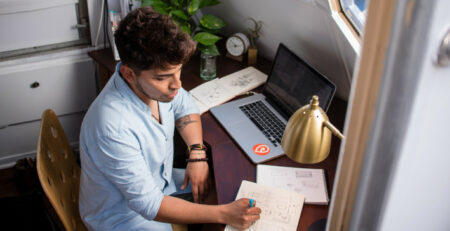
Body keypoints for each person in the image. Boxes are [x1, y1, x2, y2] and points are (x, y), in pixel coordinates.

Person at [78, 6, 261, 231]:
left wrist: (197, 153)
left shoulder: (155, 86)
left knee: (224, 189)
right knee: (224, 210)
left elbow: (184, 103)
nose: (177, 84)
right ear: (129, 74)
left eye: (179, 71)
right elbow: (150, 205)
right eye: (164, 77)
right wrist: (224, 214)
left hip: (160, 182)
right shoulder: (112, 127)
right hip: (124, 218)